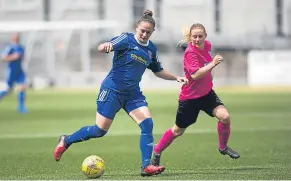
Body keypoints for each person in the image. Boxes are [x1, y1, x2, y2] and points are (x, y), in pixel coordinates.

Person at [53, 10, 188, 177]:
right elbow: (103, 46)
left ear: (153, 31)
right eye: (142, 31)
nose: (145, 34)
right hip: (112, 91)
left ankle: (146, 166)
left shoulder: (151, 49)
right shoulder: (126, 39)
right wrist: (105, 47)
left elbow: (158, 71)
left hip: (133, 95)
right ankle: (66, 140)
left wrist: (176, 77)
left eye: (148, 32)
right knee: (99, 131)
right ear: (136, 28)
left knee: (147, 124)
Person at [151, 23, 240, 167]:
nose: (198, 39)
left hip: (207, 94)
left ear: (205, 36)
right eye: (195, 37)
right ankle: (157, 150)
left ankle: (223, 147)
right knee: (177, 131)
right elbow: (195, 75)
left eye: (200, 36)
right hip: (190, 99)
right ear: (191, 38)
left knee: (225, 117)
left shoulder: (207, 46)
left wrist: (210, 75)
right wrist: (212, 64)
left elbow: (205, 68)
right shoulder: (190, 53)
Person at [0, 33, 27, 113]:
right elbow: (3, 57)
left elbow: (22, 57)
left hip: (19, 71)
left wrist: (20, 57)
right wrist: (13, 57)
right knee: (8, 90)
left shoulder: (21, 47)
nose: (16, 38)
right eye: (15, 37)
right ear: (13, 38)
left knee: (22, 86)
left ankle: (21, 107)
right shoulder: (10, 47)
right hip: (11, 71)